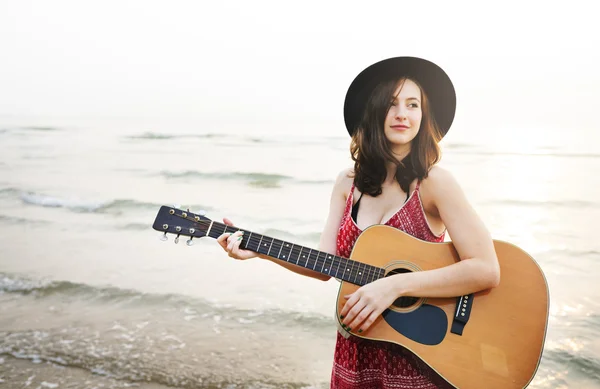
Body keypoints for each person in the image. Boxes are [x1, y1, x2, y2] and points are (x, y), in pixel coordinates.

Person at [216, 56, 501, 389]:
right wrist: (260, 251)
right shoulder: (346, 184)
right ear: (374, 111)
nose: (402, 114)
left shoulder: (435, 183)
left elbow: (486, 268)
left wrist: (394, 285)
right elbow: (326, 265)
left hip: (417, 354)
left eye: (413, 105)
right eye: (391, 104)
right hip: (357, 349)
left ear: (423, 118)